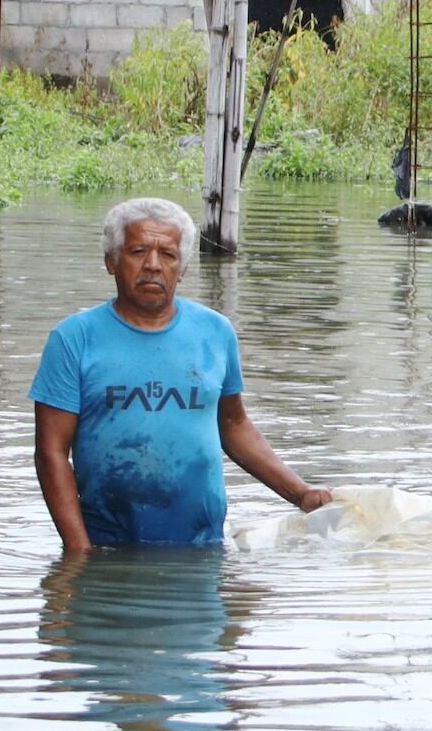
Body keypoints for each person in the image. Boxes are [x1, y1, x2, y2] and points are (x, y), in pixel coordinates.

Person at [30, 198, 331, 552]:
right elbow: (50, 453)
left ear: (183, 268)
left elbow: (233, 424)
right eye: (138, 251)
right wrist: (79, 552)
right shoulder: (74, 338)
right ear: (112, 261)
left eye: (168, 255)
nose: (153, 265)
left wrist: (300, 493)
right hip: (107, 548)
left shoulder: (215, 332)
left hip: (202, 546)